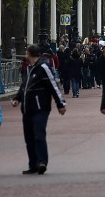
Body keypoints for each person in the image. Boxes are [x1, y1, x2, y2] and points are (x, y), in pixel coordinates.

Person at [12, 45, 67, 175]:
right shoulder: (28, 69)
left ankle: (42, 162)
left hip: (40, 107)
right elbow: (24, 86)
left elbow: (53, 85)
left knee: (38, 134)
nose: (25, 54)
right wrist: (17, 98)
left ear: (31, 54)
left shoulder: (43, 67)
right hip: (27, 108)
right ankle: (33, 164)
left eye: (26, 52)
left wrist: (60, 103)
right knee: (29, 138)